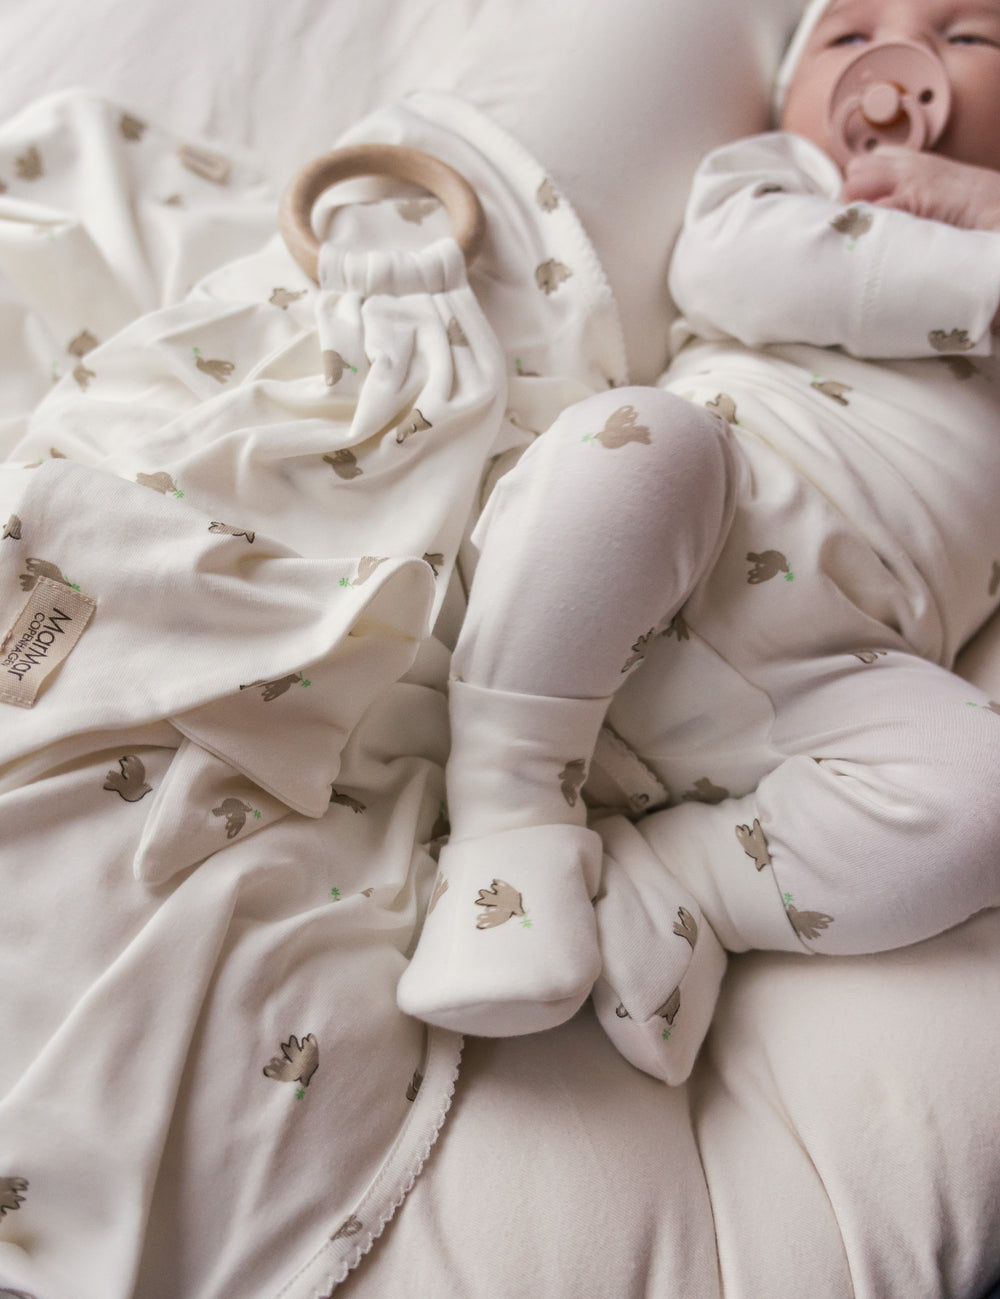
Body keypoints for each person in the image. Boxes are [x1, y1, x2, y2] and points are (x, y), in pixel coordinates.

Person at [397, 0, 1000, 1080]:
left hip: (840, 670)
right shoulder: (775, 182)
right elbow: (729, 268)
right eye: (849, 37)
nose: (902, 67)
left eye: (970, 39)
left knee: (982, 795)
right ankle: (509, 817)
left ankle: (683, 888)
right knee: (636, 445)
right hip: (685, 530)